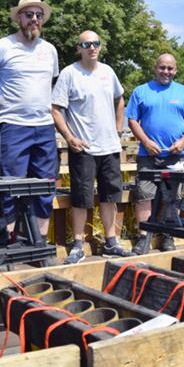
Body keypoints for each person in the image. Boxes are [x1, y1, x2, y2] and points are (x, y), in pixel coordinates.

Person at [52, 30, 135, 263]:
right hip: (83, 148)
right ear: (78, 48)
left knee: (110, 196)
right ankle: (77, 245)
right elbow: (55, 109)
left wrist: (118, 129)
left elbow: (120, 99)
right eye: (86, 44)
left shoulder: (108, 72)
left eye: (96, 43)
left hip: (109, 147)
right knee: (81, 197)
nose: (92, 47)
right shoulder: (69, 73)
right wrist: (69, 137)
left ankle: (111, 242)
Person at [0, 0, 59, 239]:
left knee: (46, 186)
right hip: (12, 125)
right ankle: (10, 242)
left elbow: (48, 85)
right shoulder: (0, 47)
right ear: (19, 17)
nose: (34, 19)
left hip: (45, 125)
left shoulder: (49, 50)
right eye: (29, 15)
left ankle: (41, 243)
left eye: (39, 15)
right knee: (10, 186)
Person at [126, 53, 184, 254]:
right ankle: (144, 236)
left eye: (170, 68)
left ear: (175, 70)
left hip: (176, 155)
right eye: (162, 67)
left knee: (174, 197)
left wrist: (183, 142)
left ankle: (168, 235)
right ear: (155, 67)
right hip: (147, 154)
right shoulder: (141, 91)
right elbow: (132, 120)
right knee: (144, 195)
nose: (166, 72)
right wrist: (146, 141)